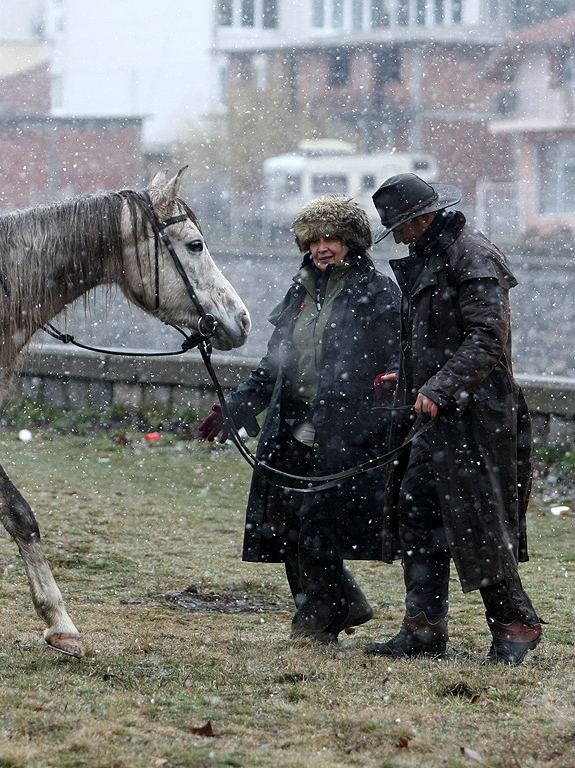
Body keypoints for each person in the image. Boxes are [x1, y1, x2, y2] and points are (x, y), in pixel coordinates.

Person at [199, 196, 400, 643]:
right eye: (313, 240)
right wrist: (238, 407)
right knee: (285, 521)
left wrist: (380, 405)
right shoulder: (301, 290)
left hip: (346, 431)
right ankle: (340, 605)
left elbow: (393, 362)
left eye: (331, 238)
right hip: (293, 428)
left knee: (318, 523)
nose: (321, 248)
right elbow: (275, 365)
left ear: (352, 242)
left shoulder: (379, 292)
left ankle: (319, 619)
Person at [363, 173, 542, 665]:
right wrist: (411, 379)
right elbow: (439, 341)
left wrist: (438, 388)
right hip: (442, 418)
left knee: (478, 522)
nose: (395, 236)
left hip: (479, 419)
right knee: (418, 512)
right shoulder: (435, 257)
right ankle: (423, 628)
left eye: (398, 227)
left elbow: (486, 339)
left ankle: (516, 625)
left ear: (421, 220)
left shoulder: (473, 256)